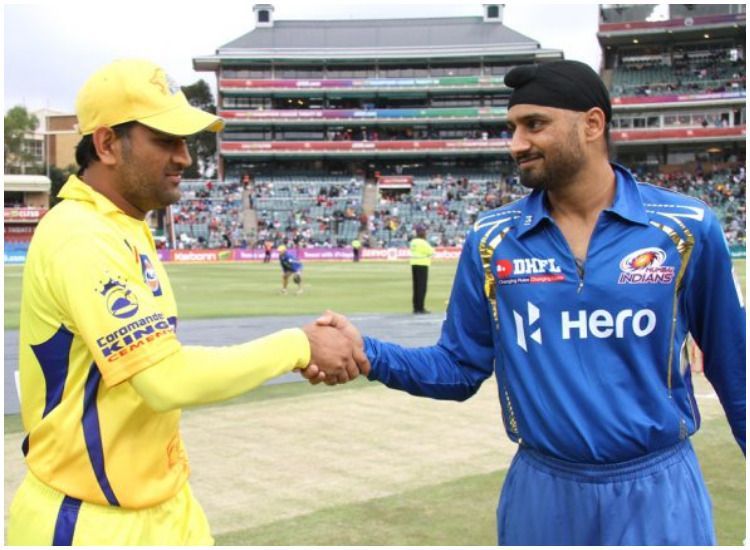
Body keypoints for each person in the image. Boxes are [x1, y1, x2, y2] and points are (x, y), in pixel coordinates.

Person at [306, 60, 746, 545]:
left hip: (659, 492)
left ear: (592, 124)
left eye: (534, 124)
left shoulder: (686, 227)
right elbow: (458, 367)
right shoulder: (492, 239)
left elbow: (736, 366)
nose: (516, 143)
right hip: (543, 494)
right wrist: (368, 353)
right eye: (512, 128)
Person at [8, 59, 364, 546]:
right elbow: (165, 380)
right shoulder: (81, 235)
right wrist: (299, 345)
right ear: (107, 144)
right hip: (88, 520)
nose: (185, 158)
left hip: (165, 504)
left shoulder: (125, 225)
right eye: (166, 140)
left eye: (185, 141)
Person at [409, 225, 434, 314]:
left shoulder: (413, 242)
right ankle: (420, 307)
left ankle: (416, 307)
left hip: (414, 264)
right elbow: (431, 252)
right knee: (421, 287)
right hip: (422, 264)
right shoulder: (423, 242)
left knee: (416, 287)